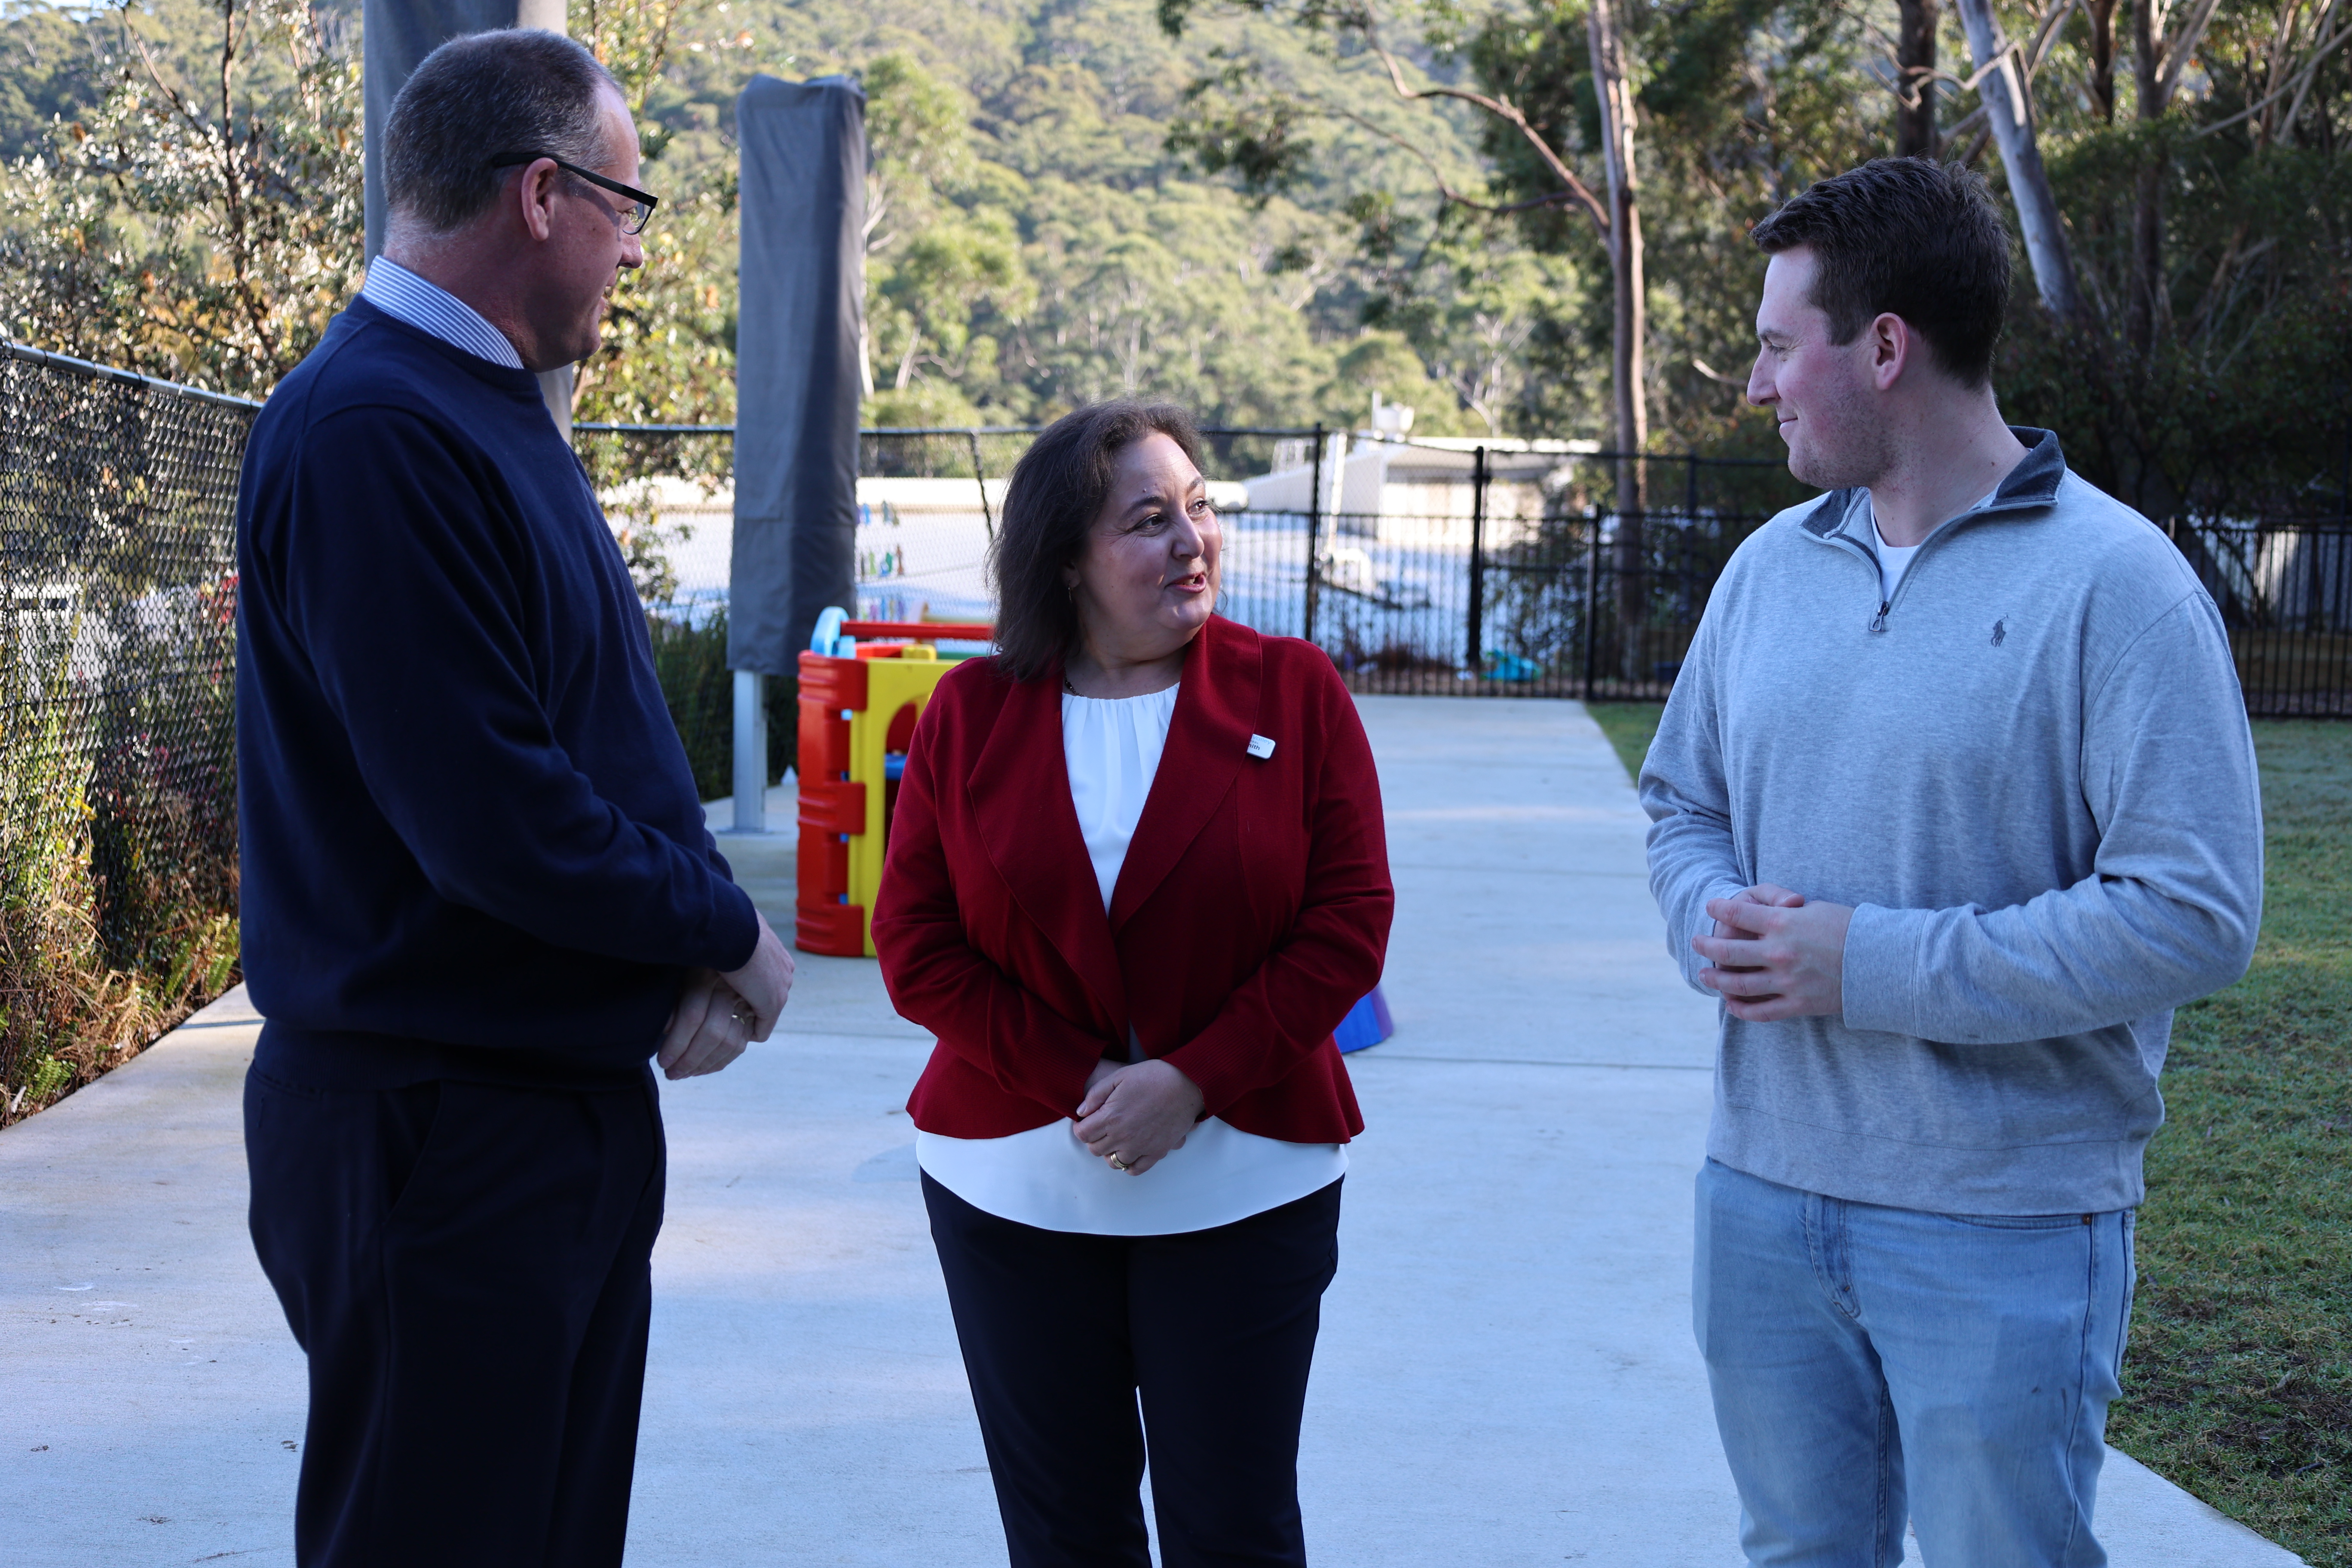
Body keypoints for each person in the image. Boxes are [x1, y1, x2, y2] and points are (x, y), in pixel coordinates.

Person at [1641, 156, 2263, 1565]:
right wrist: (1710, 913)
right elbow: (1682, 804)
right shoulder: (1768, 571)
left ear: (1882, 348)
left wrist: (1860, 964)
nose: (1757, 386)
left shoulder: (2124, 587)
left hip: (2006, 1223)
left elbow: (2196, 916)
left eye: (1775, 345)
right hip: (1760, 1197)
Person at [234, 29, 793, 1567]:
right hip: (443, 1133)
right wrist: (721, 926)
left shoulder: (472, 408)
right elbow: (490, 813)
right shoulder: (377, 430)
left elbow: (559, 746)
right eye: (630, 205)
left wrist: (657, 957)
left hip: (523, 1118)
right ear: (542, 195)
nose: (634, 250)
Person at [870, 401, 1393, 1568]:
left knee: (1235, 1532)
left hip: (1249, 1179)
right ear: (1066, 561)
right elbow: (915, 942)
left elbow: (1348, 925)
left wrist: (1194, 1082)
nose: (1191, 539)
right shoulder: (969, 713)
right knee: (1063, 1534)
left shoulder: (1297, 694)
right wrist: (1089, 1081)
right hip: (1011, 1189)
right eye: (1150, 521)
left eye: (1201, 508)